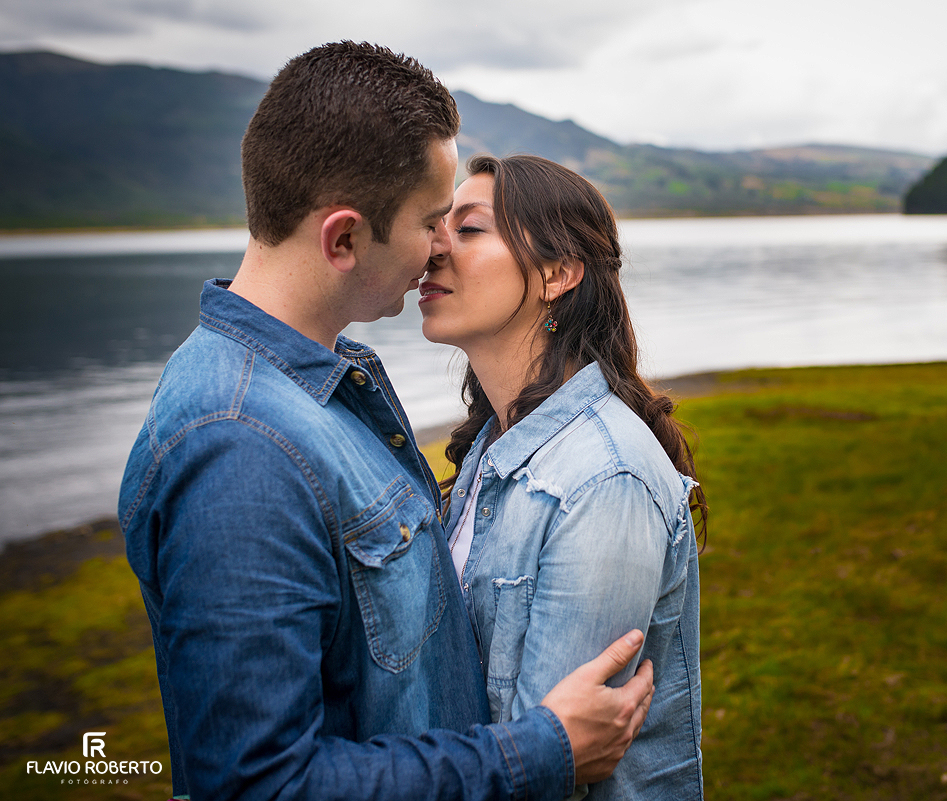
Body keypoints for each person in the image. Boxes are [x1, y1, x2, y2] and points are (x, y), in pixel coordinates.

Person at [119, 42, 654, 801]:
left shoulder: (331, 383)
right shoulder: (239, 444)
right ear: (343, 238)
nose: (442, 247)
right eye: (435, 221)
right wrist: (539, 750)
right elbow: (258, 785)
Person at [417, 154, 706, 800]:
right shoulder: (492, 448)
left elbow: (545, 774)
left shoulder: (605, 480)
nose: (433, 248)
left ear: (557, 273)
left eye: (468, 229)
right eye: (438, 225)